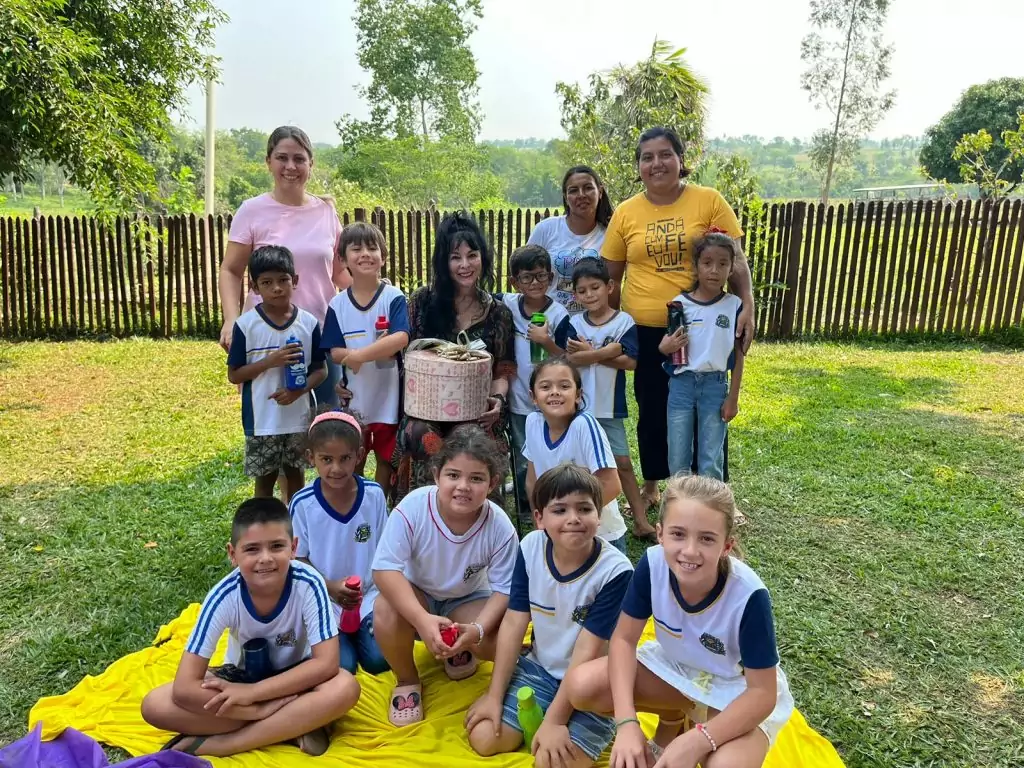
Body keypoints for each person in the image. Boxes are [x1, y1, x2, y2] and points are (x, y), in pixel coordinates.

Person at [562, 475, 793, 768]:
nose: (690, 551)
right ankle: (674, 716)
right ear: (660, 534)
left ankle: (689, 727)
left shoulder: (749, 595)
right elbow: (623, 639)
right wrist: (626, 722)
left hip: (736, 689)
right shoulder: (653, 564)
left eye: (707, 538)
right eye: (678, 534)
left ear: (727, 545)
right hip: (678, 672)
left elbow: (763, 693)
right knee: (581, 685)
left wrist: (700, 740)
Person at [601, 126, 756, 511]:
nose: (657, 163)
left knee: (709, 405)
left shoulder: (709, 201)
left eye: (665, 154)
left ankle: (714, 492)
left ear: (680, 160)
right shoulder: (626, 212)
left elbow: (734, 261)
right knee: (653, 408)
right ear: (639, 166)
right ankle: (654, 483)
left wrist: (748, 303)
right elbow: (612, 278)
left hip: (701, 326)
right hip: (647, 329)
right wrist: (610, 326)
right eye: (647, 157)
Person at [140, 497, 360, 757]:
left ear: (293, 547)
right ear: (233, 554)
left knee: (346, 687)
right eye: (252, 549)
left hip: (295, 679)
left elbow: (326, 664)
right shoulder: (223, 596)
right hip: (238, 678)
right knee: (154, 705)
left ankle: (226, 744)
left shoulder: (309, 582)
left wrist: (254, 693)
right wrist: (256, 707)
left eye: (277, 546)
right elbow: (185, 687)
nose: (265, 559)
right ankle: (292, 724)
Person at [465, 463, 633, 768]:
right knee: (484, 738)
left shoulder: (615, 572)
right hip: (540, 669)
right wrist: (493, 695)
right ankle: (536, 719)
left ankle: (570, 723)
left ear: (600, 515)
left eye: (585, 509)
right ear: (539, 518)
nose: (573, 519)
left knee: (551, 763)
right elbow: (515, 622)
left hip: (593, 684)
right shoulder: (530, 547)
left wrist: (555, 721)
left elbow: (588, 649)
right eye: (560, 510)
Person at [372, 426, 519, 727]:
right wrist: (421, 619)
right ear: (437, 475)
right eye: (453, 475)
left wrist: (476, 631)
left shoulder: (499, 525)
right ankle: (407, 679)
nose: (463, 486)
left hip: (467, 600)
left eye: (476, 478)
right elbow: (384, 569)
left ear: (492, 484)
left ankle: (460, 647)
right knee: (385, 609)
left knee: (501, 639)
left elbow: (506, 589)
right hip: (420, 596)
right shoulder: (413, 507)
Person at [219, 126, 351, 410]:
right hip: (266, 336)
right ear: (269, 162)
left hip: (320, 334)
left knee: (326, 427)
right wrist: (231, 320)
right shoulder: (252, 211)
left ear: (311, 165)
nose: (291, 166)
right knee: (271, 422)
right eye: (282, 157)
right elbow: (230, 270)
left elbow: (339, 273)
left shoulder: (326, 212)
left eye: (299, 159)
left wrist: (378, 296)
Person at [390, 211, 516, 501]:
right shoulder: (422, 302)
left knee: (473, 439)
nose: (464, 265)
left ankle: (476, 521)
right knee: (421, 432)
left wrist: (497, 402)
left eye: (472, 255)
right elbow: (401, 358)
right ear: (443, 263)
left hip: (477, 411)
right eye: (455, 257)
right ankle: (424, 516)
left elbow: (503, 373)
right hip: (425, 409)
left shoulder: (498, 314)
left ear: (483, 258)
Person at [290, 410, 391, 676]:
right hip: (325, 599)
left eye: (345, 458)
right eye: (326, 459)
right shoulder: (302, 504)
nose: (336, 468)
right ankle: (339, 640)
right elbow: (297, 559)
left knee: (380, 660)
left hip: (370, 596)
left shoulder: (374, 496)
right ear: (311, 458)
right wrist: (331, 587)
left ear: (359, 456)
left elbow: (387, 550)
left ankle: (364, 632)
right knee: (342, 665)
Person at [227, 246, 326, 503]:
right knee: (265, 482)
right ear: (255, 287)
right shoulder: (246, 326)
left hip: (298, 419)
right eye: (267, 282)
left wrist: (298, 391)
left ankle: (294, 530)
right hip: (263, 421)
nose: (277, 288)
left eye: (283, 280)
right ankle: (265, 528)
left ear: (295, 280)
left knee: (297, 479)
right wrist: (270, 361)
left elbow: (320, 370)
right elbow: (235, 375)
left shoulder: (309, 324)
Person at [564, 258, 654, 540]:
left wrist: (590, 353)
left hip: (610, 408)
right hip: (577, 408)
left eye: (595, 288)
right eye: (583, 290)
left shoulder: (624, 321)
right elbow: (570, 358)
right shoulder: (573, 321)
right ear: (575, 295)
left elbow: (630, 362)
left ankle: (641, 522)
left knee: (622, 464)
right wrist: (607, 350)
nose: (590, 295)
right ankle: (579, 519)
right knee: (579, 466)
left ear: (610, 287)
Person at [320, 222, 410, 496]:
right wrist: (372, 350)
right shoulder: (338, 305)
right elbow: (335, 352)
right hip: (353, 400)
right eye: (356, 248)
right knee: (351, 456)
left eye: (372, 248)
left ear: (383, 256)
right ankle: (353, 501)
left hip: (389, 399)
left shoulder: (393, 298)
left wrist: (358, 355)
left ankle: (377, 505)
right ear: (343, 258)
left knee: (386, 458)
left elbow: (400, 338)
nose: (365, 254)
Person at [660, 232, 746, 480]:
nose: (714, 270)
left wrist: (733, 397)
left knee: (711, 457)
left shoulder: (734, 306)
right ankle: (677, 510)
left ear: (731, 269)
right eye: (707, 262)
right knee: (678, 456)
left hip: (715, 386)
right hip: (681, 385)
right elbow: (668, 347)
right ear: (696, 266)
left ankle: (712, 513)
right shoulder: (679, 304)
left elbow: (739, 356)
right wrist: (663, 347)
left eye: (722, 264)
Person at [497, 244, 570, 526]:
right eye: (526, 277)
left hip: (551, 400)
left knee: (551, 452)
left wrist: (546, 341)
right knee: (522, 453)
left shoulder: (560, 314)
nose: (535, 283)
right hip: (518, 398)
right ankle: (526, 506)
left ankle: (553, 499)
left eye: (541, 276)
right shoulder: (508, 303)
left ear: (551, 278)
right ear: (514, 281)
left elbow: (567, 357)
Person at [523, 357, 628, 552]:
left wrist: (572, 522)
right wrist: (543, 521)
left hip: (601, 537)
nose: (555, 392)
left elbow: (611, 485)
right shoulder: (532, 423)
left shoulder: (584, 425)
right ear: (533, 397)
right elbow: (532, 481)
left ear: (578, 395)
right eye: (545, 387)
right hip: (558, 534)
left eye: (564, 386)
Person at [527, 165, 615, 315]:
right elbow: (526, 275)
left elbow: (614, 285)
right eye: (573, 190)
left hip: (592, 327)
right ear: (566, 197)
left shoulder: (611, 235)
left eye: (588, 188)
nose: (581, 195)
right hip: (549, 322)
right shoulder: (546, 229)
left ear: (600, 192)